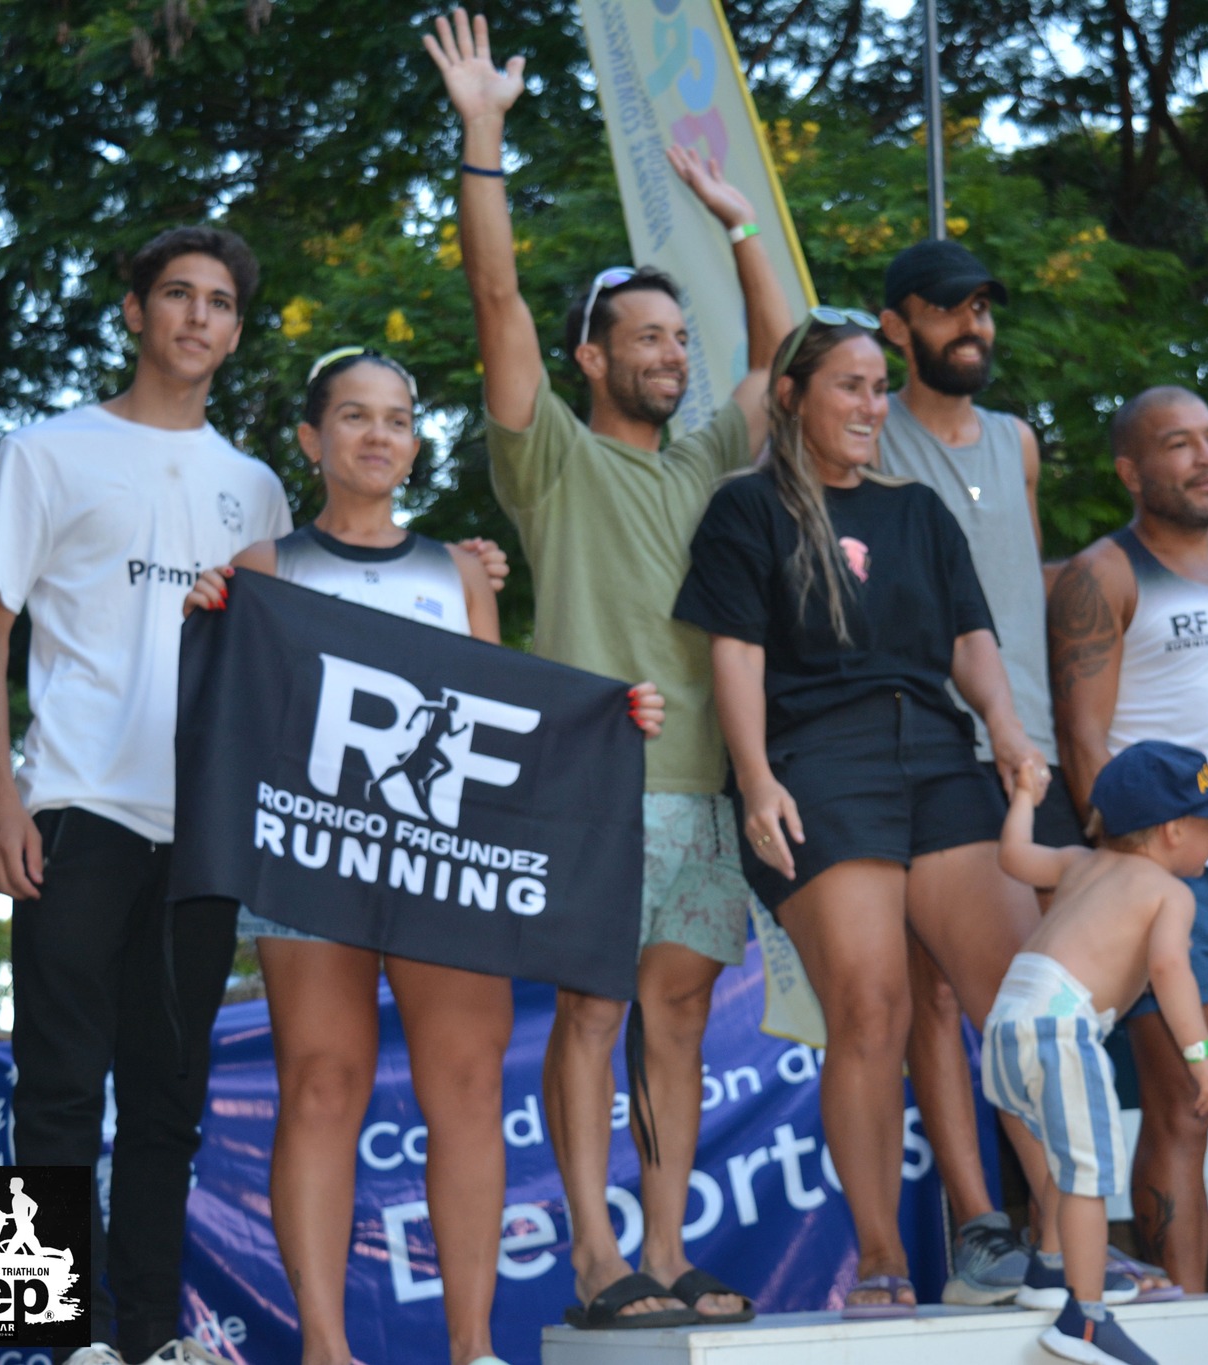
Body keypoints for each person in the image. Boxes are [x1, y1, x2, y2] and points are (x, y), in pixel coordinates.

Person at [0, 222, 507, 1365]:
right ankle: (56, 1346)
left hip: (211, 830)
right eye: (176, 294)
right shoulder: (45, 451)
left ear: (235, 331)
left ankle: (151, 1340)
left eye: (217, 302)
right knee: (57, 1086)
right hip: (75, 804)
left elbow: (341, 627)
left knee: (169, 1100)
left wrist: (460, 570)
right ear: (135, 312)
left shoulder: (255, 490)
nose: (196, 317)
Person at [178, 347, 662, 1365]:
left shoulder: (458, 571)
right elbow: (236, 714)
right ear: (312, 440)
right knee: (320, 1083)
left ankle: (470, 1348)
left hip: (445, 861)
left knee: (468, 1087)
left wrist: (610, 718)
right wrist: (206, 619)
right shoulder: (263, 567)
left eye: (397, 418)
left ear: (414, 444)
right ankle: (325, 1349)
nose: (378, 435)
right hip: (313, 857)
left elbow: (502, 723)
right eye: (354, 416)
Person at [430, 8, 792, 1327]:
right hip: (593, 777)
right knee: (590, 1017)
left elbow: (775, 366)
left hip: (706, 785)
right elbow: (498, 300)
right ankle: (594, 1256)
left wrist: (739, 229)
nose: (671, 357)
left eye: (677, 341)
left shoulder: (707, 461)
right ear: (593, 356)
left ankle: (667, 1249)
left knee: (677, 1020)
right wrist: (484, 137)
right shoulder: (551, 459)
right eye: (647, 339)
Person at [674, 308, 1079, 1315]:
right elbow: (735, 653)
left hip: (939, 756)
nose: (870, 406)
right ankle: (883, 1259)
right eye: (848, 386)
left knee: (1021, 1002)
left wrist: (1007, 729)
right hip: (818, 760)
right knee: (870, 1006)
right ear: (791, 396)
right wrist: (755, 775)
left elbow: (972, 640)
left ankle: (1071, 1243)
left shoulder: (917, 511)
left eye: (877, 388)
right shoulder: (746, 507)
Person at [874, 238, 1136, 1303]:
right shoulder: (867, 429)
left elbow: (1016, 589)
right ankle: (983, 1228)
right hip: (920, 746)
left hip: (1025, 751)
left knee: (1043, 998)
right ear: (895, 325)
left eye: (982, 307)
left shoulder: (1017, 441)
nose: (971, 326)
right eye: (947, 309)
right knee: (932, 999)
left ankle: (1063, 1234)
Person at [1046, 386, 1208, 1292]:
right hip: (1167, 880)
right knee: (1182, 1113)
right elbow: (1083, 739)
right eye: (1179, 443)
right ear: (1131, 470)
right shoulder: (1102, 573)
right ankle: (1181, 1321)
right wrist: (1128, 877)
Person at [988, 742, 1208, 1365]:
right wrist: (1203, 1056)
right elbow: (1170, 969)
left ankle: (1051, 1267)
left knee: (1064, 1155)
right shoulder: (1169, 893)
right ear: (1173, 830)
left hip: (1006, 1021)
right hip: (1061, 1027)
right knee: (1088, 1168)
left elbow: (1013, 856)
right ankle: (1084, 1319)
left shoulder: (1079, 862)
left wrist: (1023, 797)